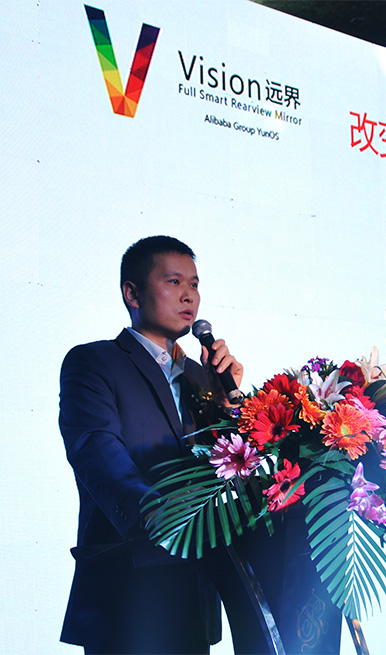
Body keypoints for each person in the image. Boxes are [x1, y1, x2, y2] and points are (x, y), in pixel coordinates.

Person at [59, 236, 244, 654]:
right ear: (132, 293)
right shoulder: (94, 362)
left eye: (194, 284)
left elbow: (227, 466)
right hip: (128, 582)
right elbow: (97, 450)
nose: (188, 295)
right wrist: (160, 518)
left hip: (194, 586)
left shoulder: (202, 377)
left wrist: (227, 407)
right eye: (174, 281)